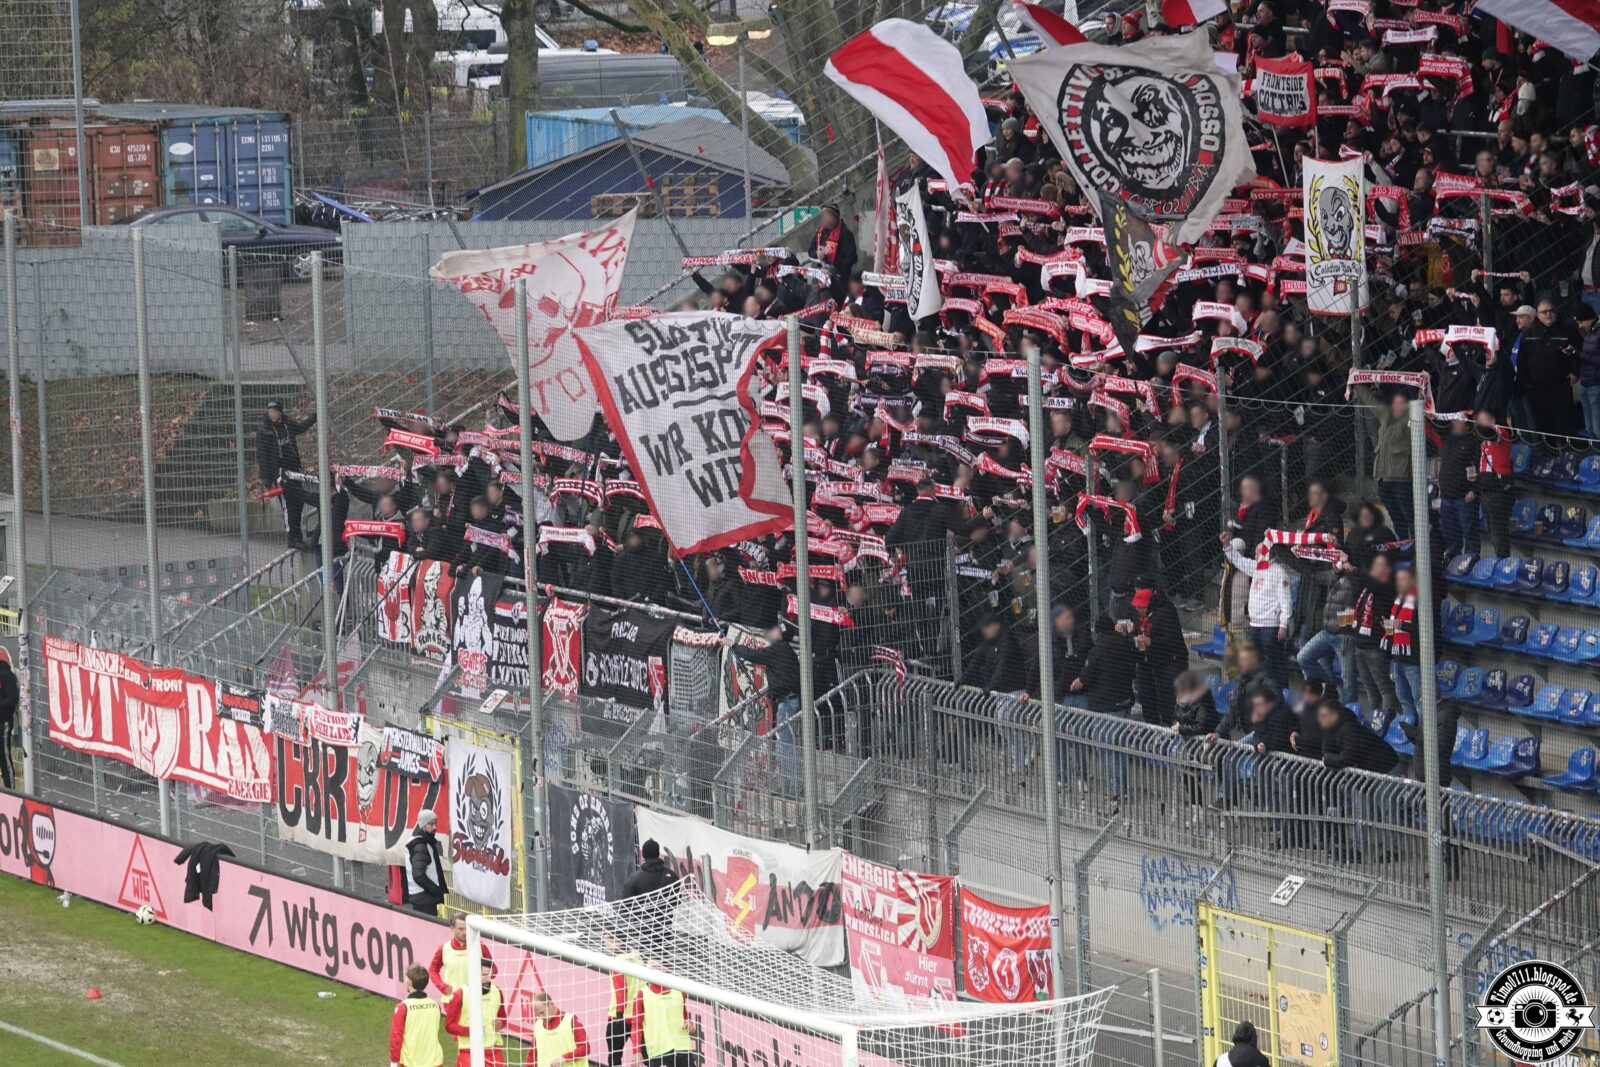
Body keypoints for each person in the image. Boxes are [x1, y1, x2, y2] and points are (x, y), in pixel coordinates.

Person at [256, 400, 316, 549]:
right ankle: (292, 536)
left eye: (275, 411)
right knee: (288, 505)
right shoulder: (264, 431)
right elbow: (262, 456)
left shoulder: (287, 424)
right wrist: (267, 479)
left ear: (280, 412)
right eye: (270, 412)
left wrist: (315, 417)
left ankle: (298, 535)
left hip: (294, 471)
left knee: (299, 502)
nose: (272, 414)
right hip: (280, 474)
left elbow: (301, 427)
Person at [628, 960, 697, 1067]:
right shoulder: (642, 994)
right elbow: (636, 1026)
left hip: (682, 1049)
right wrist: (637, 1051)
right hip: (658, 1053)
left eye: (658, 966)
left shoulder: (679, 991)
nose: (656, 969)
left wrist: (689, 1023)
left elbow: (683, 1016)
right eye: (652, 967)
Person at [444, 958, 510, 1067]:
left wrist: (500, 1023)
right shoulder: (460, 994)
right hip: (469, 1050)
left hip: (494, 1049)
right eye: (484, 975)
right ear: (474, 973)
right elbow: (449, 1026)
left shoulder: (497, 991)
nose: (488, 979)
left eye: (489, 975)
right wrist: (471, 1031)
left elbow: (503, 1017)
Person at [390, 964, 444, 1067]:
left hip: (411, 1063)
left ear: (410, 982)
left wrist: (393, 1062)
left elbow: (396, 1038)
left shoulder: (402, 1008)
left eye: (407, 978)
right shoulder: (436, 1005)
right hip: (435, 1062)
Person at [604, 933, 645, 1067]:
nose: (604, 944)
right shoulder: (637, 955)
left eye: (606, 939)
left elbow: (621, 990)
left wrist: (619, 1016)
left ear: (616, 939)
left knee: (615, 1057)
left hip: (620, 1016)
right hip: (639, 1015)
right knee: (646, 1055)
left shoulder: (617, 962)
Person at [430, 914, 494, 998]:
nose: (465, 932)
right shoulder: (444, 948)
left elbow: (493, 969)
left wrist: (486, 976)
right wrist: (442, 986)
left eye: (467, 929)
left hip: (475, 999)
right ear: (452, 928)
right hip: (452, 999)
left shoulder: (480, 946)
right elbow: (432, 970)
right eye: (461, 929)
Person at [527, 989, 592, 1067]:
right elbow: (532, 1054)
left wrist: (564, 1058)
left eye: (542, 1012)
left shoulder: (571, 1020)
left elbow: (585, 1048)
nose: (540, 1017)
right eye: (537, 1014)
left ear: (551, 1004)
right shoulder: (538, 1025)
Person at [406, 809, 447, 916]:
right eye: (431, 824)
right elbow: (418, 875)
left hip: (422, 897)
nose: (435, 827)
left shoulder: (421, 842)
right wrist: (435, 890)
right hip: (423, 898)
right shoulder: (420, 845)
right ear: (423, 825)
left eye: (435, 824)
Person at [0, 653, 16, 789]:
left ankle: (12, 792)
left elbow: (13, 698)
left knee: (5, 759)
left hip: (3, 722)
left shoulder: (5, 673)